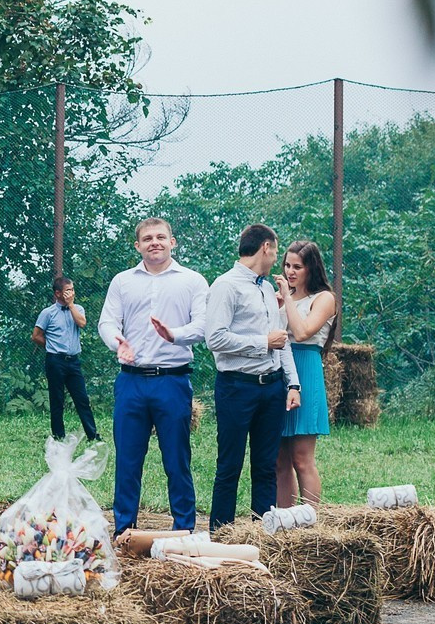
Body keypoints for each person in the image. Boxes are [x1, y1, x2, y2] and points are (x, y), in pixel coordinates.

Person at [97, 217, 209, 536]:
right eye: (147, 239)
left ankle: (184, 530)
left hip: (172, 381)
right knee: (128, 462)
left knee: (177, 459)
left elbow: (202, 326)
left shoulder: (192, 281)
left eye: (161, 237)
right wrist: (117, 342)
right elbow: (106, 322)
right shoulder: (122, 281)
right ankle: (124, 531)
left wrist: (172, 334)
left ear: (173, 242)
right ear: (138, 246)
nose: (154, 242)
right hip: (131, 381)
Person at [204, 225, 302, 532]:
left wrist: (293, 383)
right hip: (237, 387)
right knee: (230, 466)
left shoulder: (265, 288)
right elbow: (215, 338)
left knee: (266, 467)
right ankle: (221, 535)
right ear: (266, 247)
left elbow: (281, 339)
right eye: (276, 250)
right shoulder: (225, 285)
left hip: (271, 388)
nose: (277, 257)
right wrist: (262, 342)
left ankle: (264, 535)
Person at [276, 240, 337, 507]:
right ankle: (284, 520)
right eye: (287, 265)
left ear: (311, 268)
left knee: (301, 457)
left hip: (306, 366)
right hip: (279, 367)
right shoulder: (281, 298)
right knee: (279, 459)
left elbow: (302, 332)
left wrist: (286, 299)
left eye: (297, 267)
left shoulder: (324, 298)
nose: (290, 272)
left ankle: (310, 521)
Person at [32, 276, 96, 441]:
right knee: (57, 399)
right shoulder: (48, 313)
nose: (71, 293)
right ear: (58, 293)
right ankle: (59, 436)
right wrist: (51, 346)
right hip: (55, 361)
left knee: (82, 399)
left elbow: (82, 323)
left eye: (72, 290)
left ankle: (93, 435)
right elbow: (36, 336)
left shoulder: (78, 309)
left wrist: (71, 305)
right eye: (68, 290)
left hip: (73, 361)